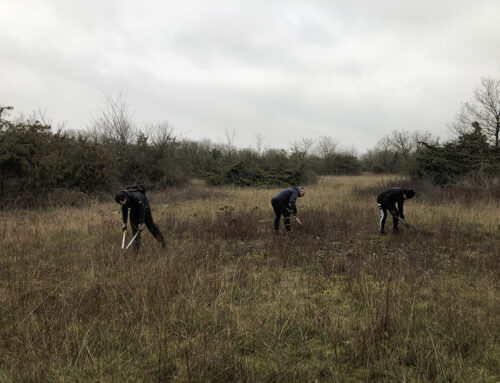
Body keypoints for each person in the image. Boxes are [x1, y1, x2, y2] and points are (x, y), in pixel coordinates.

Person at [115, 186, 166, 251]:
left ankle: (163, 243)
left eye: (120, 203)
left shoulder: (136, 197)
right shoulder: (123, 199)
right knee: (135, 229)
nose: (120, 204)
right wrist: (124, 224)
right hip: (134, 209)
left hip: (144, 208)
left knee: (151, 227)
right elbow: (124, 211)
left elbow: (142, 211)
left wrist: (141, 223)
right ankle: (136, 251)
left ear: (124, 199)